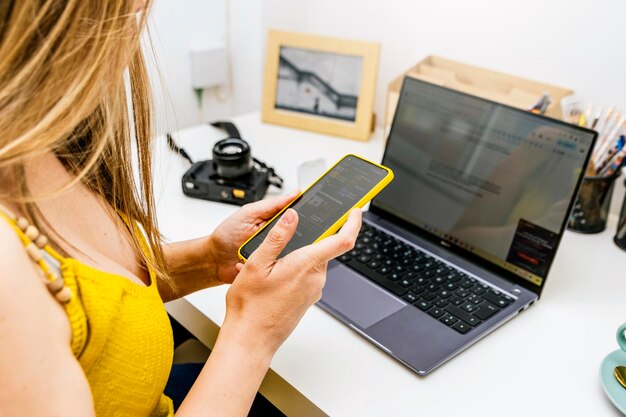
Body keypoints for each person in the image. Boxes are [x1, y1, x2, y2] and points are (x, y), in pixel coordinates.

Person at [0, 2, 361, 416]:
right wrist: (253, 332)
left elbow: (101, 302)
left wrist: (208, 260)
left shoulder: (46, 142)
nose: (142, 6)